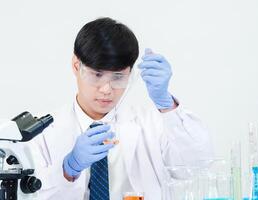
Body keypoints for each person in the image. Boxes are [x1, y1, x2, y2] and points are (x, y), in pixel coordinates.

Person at [30, 17, 214, 200]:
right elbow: (26, 195)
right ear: (76, 66)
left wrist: (167, 106)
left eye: (118, 77)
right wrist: (68, 170)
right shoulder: (40, 133)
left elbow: (195, 166)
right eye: (97, 74)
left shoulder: (151, 123)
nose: (106, 89)